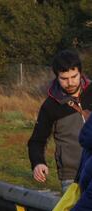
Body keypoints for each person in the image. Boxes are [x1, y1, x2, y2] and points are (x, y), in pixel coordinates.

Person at [28, 49, 92, 192]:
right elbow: (37, 141)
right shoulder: (50, 106)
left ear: (80, 73)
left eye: (74, 76)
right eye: (64, 78)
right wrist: (38, 163)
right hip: (71, 177)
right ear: (56, 76)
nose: (70, 83)